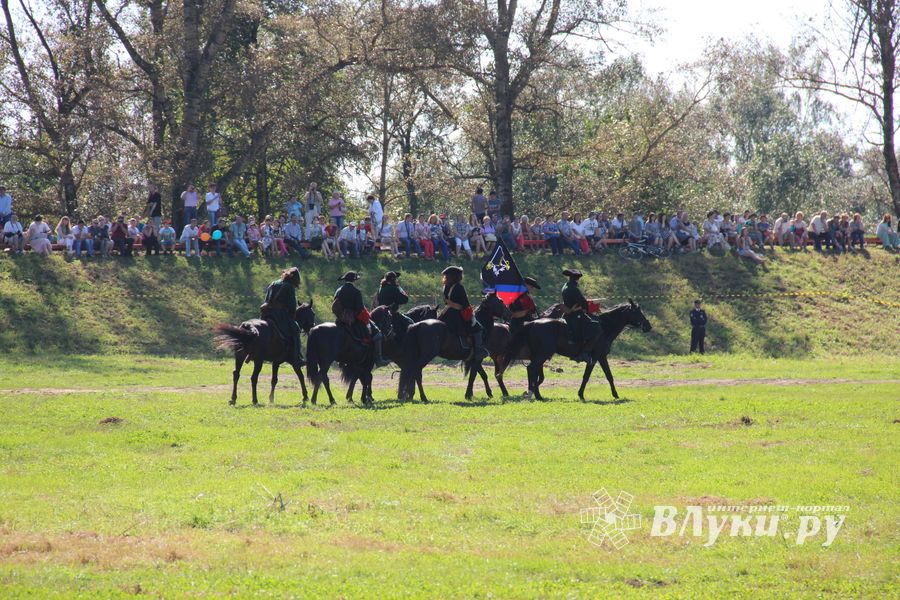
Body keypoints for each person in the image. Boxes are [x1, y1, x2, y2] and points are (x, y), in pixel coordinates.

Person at [332, 271, 390, 366]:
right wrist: (366, 317)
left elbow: (336, 304)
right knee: (378, 335)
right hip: (353, 319)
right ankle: (378, 359)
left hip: (340, 318)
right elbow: (359, 309)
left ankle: (342, 360)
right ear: (354, 280)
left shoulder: (338, 290)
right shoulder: (356, 291)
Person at [260, 267, 305, 367]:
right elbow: (292, 305)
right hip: (279, 315)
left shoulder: (273, 283)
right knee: (295, 329)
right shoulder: (289, 287)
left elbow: (267, 299)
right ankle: (297, 357)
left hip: (267, 314)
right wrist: (292, 315)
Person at [439, 266, 485, 360]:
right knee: (478, 328)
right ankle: (478, 352)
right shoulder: (459, 287)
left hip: (447, 313)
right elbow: (465, 305)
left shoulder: (445, 287)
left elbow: (446, 302)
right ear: (456, 276)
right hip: (457, 315)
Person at [561, 268, 603, 363]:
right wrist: (589, 308)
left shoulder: (565, 286)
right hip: (576, 315)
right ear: (577, 279)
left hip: (568, 314)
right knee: (597, 328)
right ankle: (584, 353)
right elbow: (584, 303)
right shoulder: (574, 289)